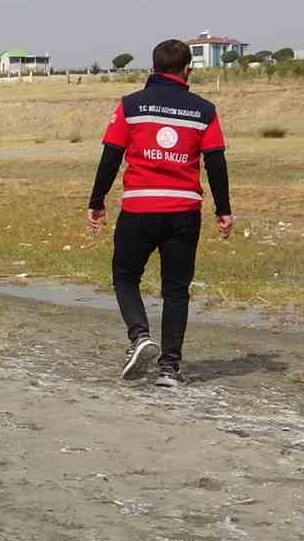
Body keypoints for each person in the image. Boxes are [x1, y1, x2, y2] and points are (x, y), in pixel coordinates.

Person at [87, 39, 234, 389]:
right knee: (176, 290)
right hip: (184, 210)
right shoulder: (204, 110)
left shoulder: (130, 106)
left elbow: (111, 156)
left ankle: (139, 336)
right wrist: (223, 210)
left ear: (152, 68)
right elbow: (216, 162)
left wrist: (97, 201)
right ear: (187, 69)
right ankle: (170, 367)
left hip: (139, 207)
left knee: (124, 276)